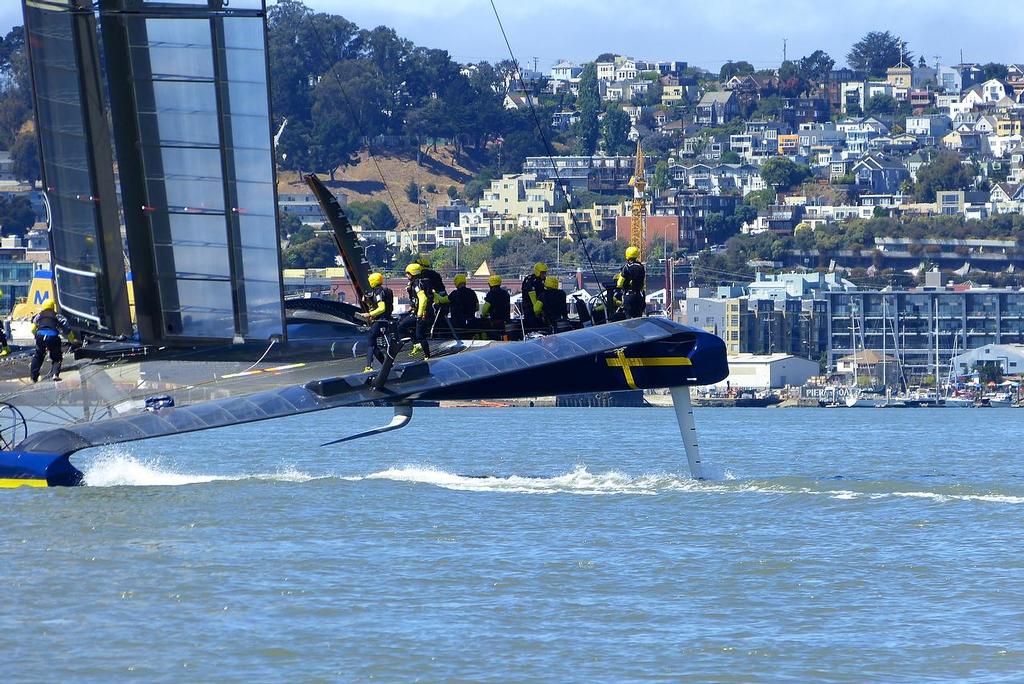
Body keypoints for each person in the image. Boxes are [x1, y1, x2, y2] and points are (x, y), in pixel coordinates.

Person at [395, 262, 434, 359]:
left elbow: (423, 298)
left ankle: (427, 355)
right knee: (402, 324)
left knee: (420, 335)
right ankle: (416, 343)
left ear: (412, 273)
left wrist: (420, 315)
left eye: (408, 273)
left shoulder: (417, 284)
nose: (406, 275)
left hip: (422, 314)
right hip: (418, 312)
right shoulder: (421, 282)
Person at [361, 272, 394, 372]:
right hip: (387, 320)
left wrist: (369, 314)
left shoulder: (378, 292)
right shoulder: (387, 291)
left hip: (379, 321)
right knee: (375, 345)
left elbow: (382, 308)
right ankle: (387, 365)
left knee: (371, 342)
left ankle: (368, 366)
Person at [30, 300, 69, 382]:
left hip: (40, 336)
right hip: (53, 336)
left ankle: (34, 377)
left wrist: (36, 336)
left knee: (38, 355)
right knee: (57, 357)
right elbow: (67, 328)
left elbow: (33, 329)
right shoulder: (57, 316)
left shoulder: (39, 315)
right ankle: (55, 374)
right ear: (53, 307)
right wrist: (72, 339)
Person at [616, 245, 646, 318]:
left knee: (628, 319)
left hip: (628, 296)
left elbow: (619, 283)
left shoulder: (626, 267)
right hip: (639, 296)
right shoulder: (641, 267)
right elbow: (642, 283)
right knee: (638, 319)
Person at [481, 274, 511, 339]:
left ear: (490, 284)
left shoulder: (491, 294)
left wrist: (483, 315)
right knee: (505, 337)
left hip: (495, 322)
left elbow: (485, 309)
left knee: (493, 336)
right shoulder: (505, 293)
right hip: (506, 321)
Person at [521, 262, 547, 331]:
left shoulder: (543, 280)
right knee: (532, 328)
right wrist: (537, 311)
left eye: (545, 272)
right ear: (538, 272)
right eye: (542, 273)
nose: (544, 274)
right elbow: (533, 297)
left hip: (539, 308)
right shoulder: (530, 280)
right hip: (530, 308)